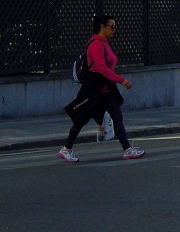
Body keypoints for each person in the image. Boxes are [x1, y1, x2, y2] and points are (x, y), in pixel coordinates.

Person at [59, 15, 144, 162]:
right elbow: (101, 67)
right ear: (102, 27)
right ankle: (66, 149)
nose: (114, 30)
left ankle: (128, 150)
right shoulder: (96, 44)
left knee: (117, 116)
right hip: (94, 88)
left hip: (106, 89)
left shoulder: (105, 43)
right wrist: (121, 80)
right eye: (112, 27)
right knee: (82, 118)